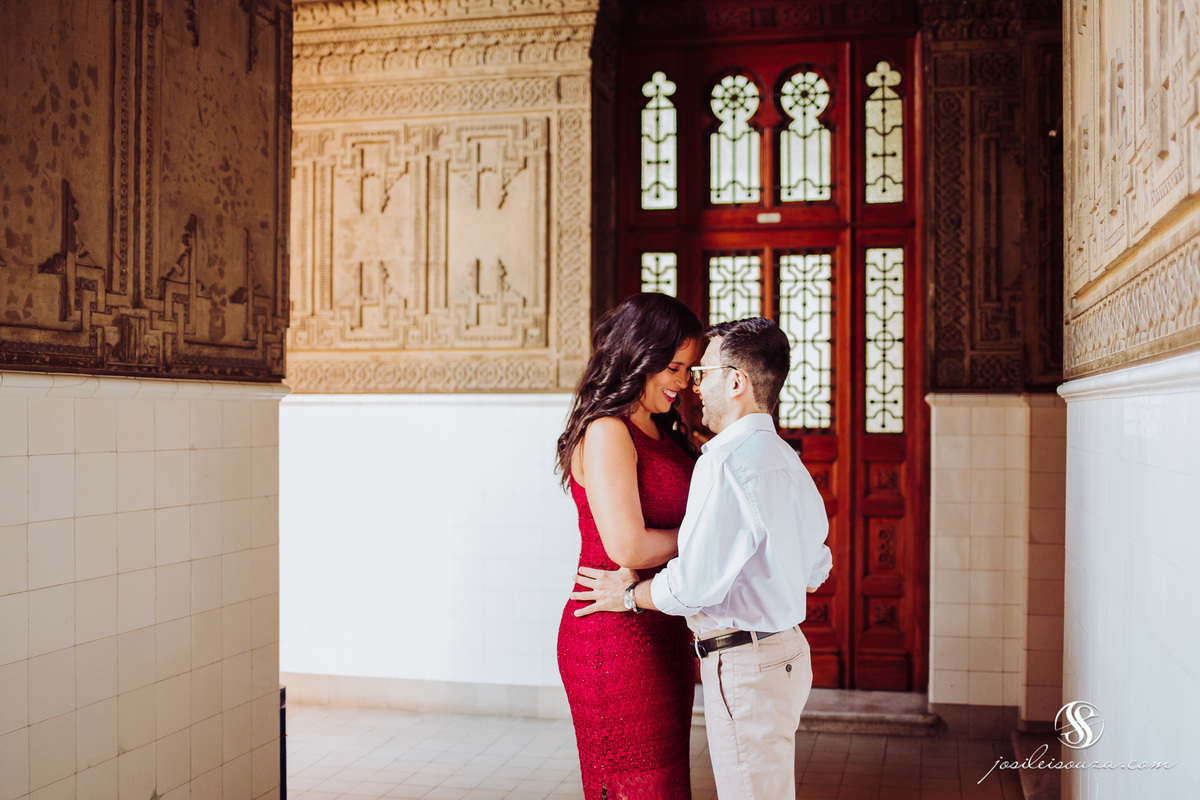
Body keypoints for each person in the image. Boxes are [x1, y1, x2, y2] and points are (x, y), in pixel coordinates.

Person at [572, 317, 833, 799]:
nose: (692, 385)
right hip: (776, 650)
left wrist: (631, 594)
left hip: (731, 650)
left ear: (736, 381)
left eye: (699, 371)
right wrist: (754, 555)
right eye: (679, 369)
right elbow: (818, 564)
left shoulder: (724, 458)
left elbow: (694, 585)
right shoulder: (782, 455)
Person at [556, 292, 704, 800]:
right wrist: (701, 539)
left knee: (668, 784)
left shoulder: (666, 432)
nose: (682, 382)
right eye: (674, 367)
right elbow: (630, 548)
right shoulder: (606, 430)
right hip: (613, 635)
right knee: (639, 788)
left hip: (663, 626)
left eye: (688, 369)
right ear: (639, 354)